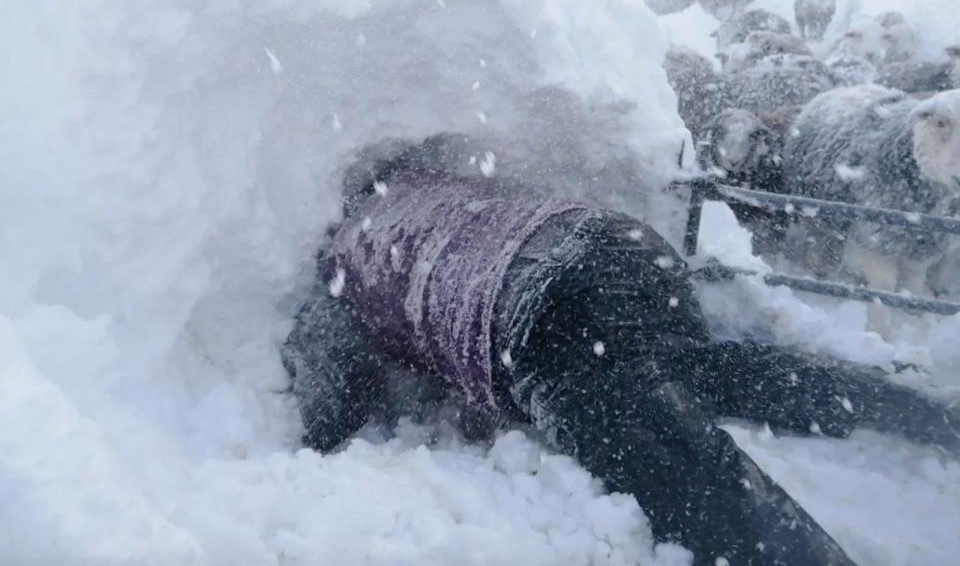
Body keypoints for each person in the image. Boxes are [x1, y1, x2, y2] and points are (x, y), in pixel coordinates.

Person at [282, 134, 958, 566]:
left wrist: (316, 445)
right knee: (697, 367)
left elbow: (330, 386)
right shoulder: (445, 188)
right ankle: (929, 414)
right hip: (617, 247)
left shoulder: (344, 261)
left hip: (536, 317)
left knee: (690, 476)